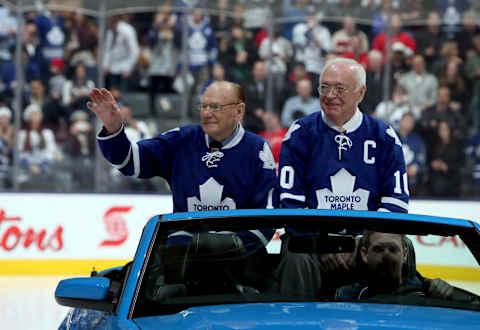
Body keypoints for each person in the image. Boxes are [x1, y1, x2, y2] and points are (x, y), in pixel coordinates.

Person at [88, 80, 278, 247]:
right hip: (183, 259)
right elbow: (130, 161)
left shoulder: (257, 149)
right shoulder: (181, 140)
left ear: (239, 111)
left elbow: (267, 217)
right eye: (204, 106)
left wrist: (234, 248)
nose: (207, 113)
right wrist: (113, 129)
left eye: (216, 107)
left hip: (240, 262)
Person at [279, 57, 409, 212]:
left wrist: (373, 232)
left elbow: (396, 199)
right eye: (324, 87)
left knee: (386, 238)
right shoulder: (300, 133)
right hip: (312, 233)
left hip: (371, 233)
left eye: (340, 89)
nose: (330, 95)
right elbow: (290, 199)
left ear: (360, 93)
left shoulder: (383, 136)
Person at [335, 231, 454, 300]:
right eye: (378, 249)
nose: (386, 256)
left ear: (405, 255)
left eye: (393, 249)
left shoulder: (429, 294)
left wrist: (446, 295)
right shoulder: (345, 296)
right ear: (364, 254)